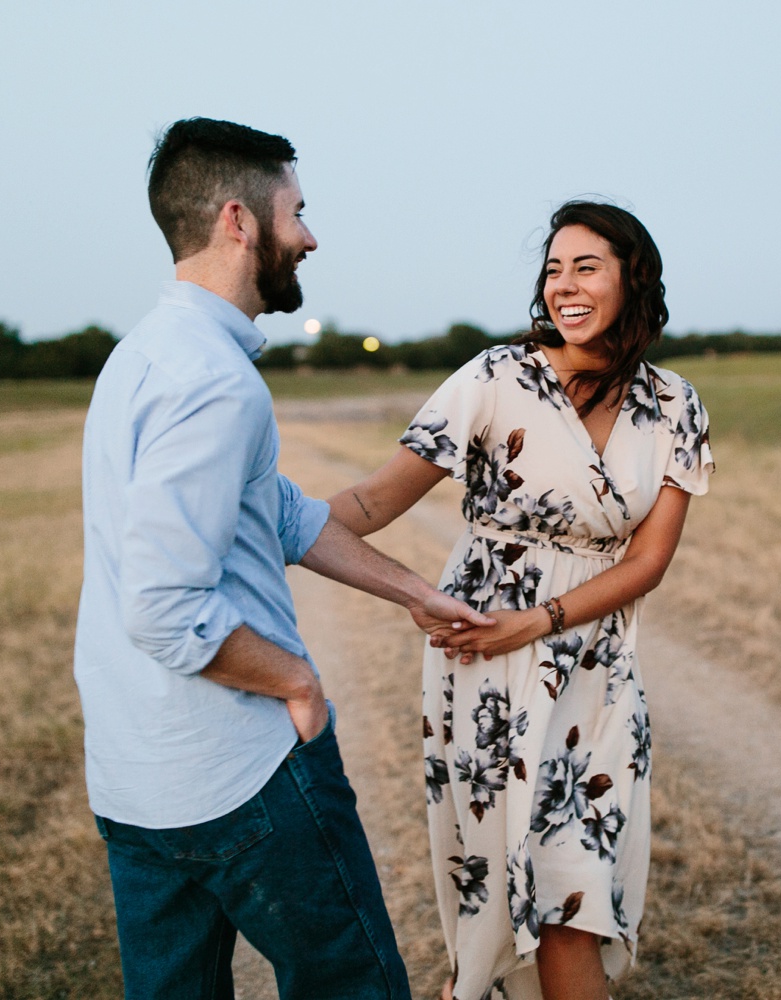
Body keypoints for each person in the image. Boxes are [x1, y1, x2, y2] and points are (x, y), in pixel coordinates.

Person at [75, 117, 493, 1000]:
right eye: (296, 212)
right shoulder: (214, 382)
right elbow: (161, 607)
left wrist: (412, 590)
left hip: (134, 785)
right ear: (239, 220)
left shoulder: (141, 357)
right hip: (242, 772)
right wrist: (297, 683)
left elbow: (283, 516)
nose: (308, 235)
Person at [327, 202, 713, 1000]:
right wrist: (262, 523)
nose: (565, 285)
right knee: (504, 888)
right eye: (553, 268)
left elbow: (649, 560)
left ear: (632, 278)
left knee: (574, 895)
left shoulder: (676, 404)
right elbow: (372, 502)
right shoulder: (495, 378)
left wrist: (538, 623)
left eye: (587, 266)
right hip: (482, 671)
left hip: (595, 669)